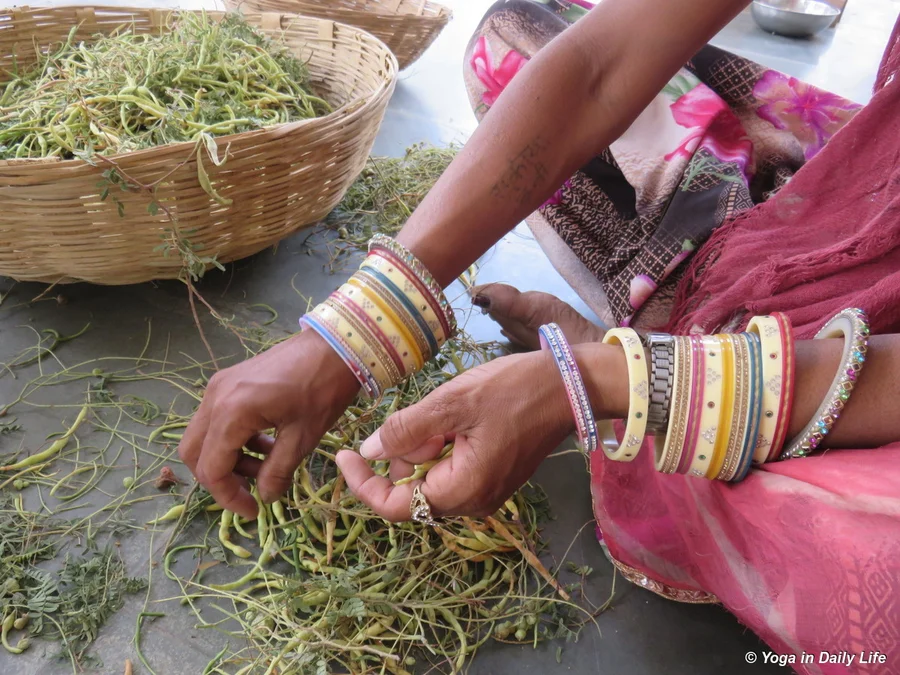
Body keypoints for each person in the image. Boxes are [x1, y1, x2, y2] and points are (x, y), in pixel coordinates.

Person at [178, 0, 900, 671]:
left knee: (878, 583)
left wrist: (604, 383)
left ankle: (649, 358)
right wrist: (355, 331)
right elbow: (600, 67)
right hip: (860, 196)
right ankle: (672, 349)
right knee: (519, 41)